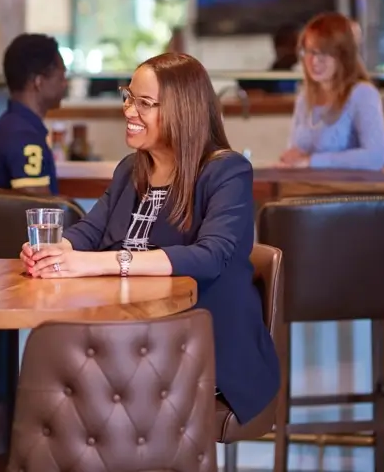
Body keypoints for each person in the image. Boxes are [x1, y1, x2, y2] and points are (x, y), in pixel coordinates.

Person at [18, 52, 279, 427]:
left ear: (182, 110)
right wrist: (59, 251)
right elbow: (90, 232)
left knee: (69, 385)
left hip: (204, 353)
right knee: (47, 365)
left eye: (144, 103)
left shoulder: (227, 172)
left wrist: (101, 264)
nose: (128, 111)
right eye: (128, 97)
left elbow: (210, 257)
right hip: (130, 343)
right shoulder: (131, 169)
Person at [280, 12, 384, 170]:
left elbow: (376, 156)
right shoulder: (304, 98)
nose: (314, 61)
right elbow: (295, 150)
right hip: (305, 189)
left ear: (343, 56)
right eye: (309, 52)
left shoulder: (362, 94)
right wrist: (290, 158)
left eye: (323, 53)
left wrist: (312, 161)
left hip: (347, 193)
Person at [0, 33, 68, 195]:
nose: (65, 84)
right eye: (61, 77)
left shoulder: (7, 127)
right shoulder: (24, 136)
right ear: (39, 82)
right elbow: (37, 210)